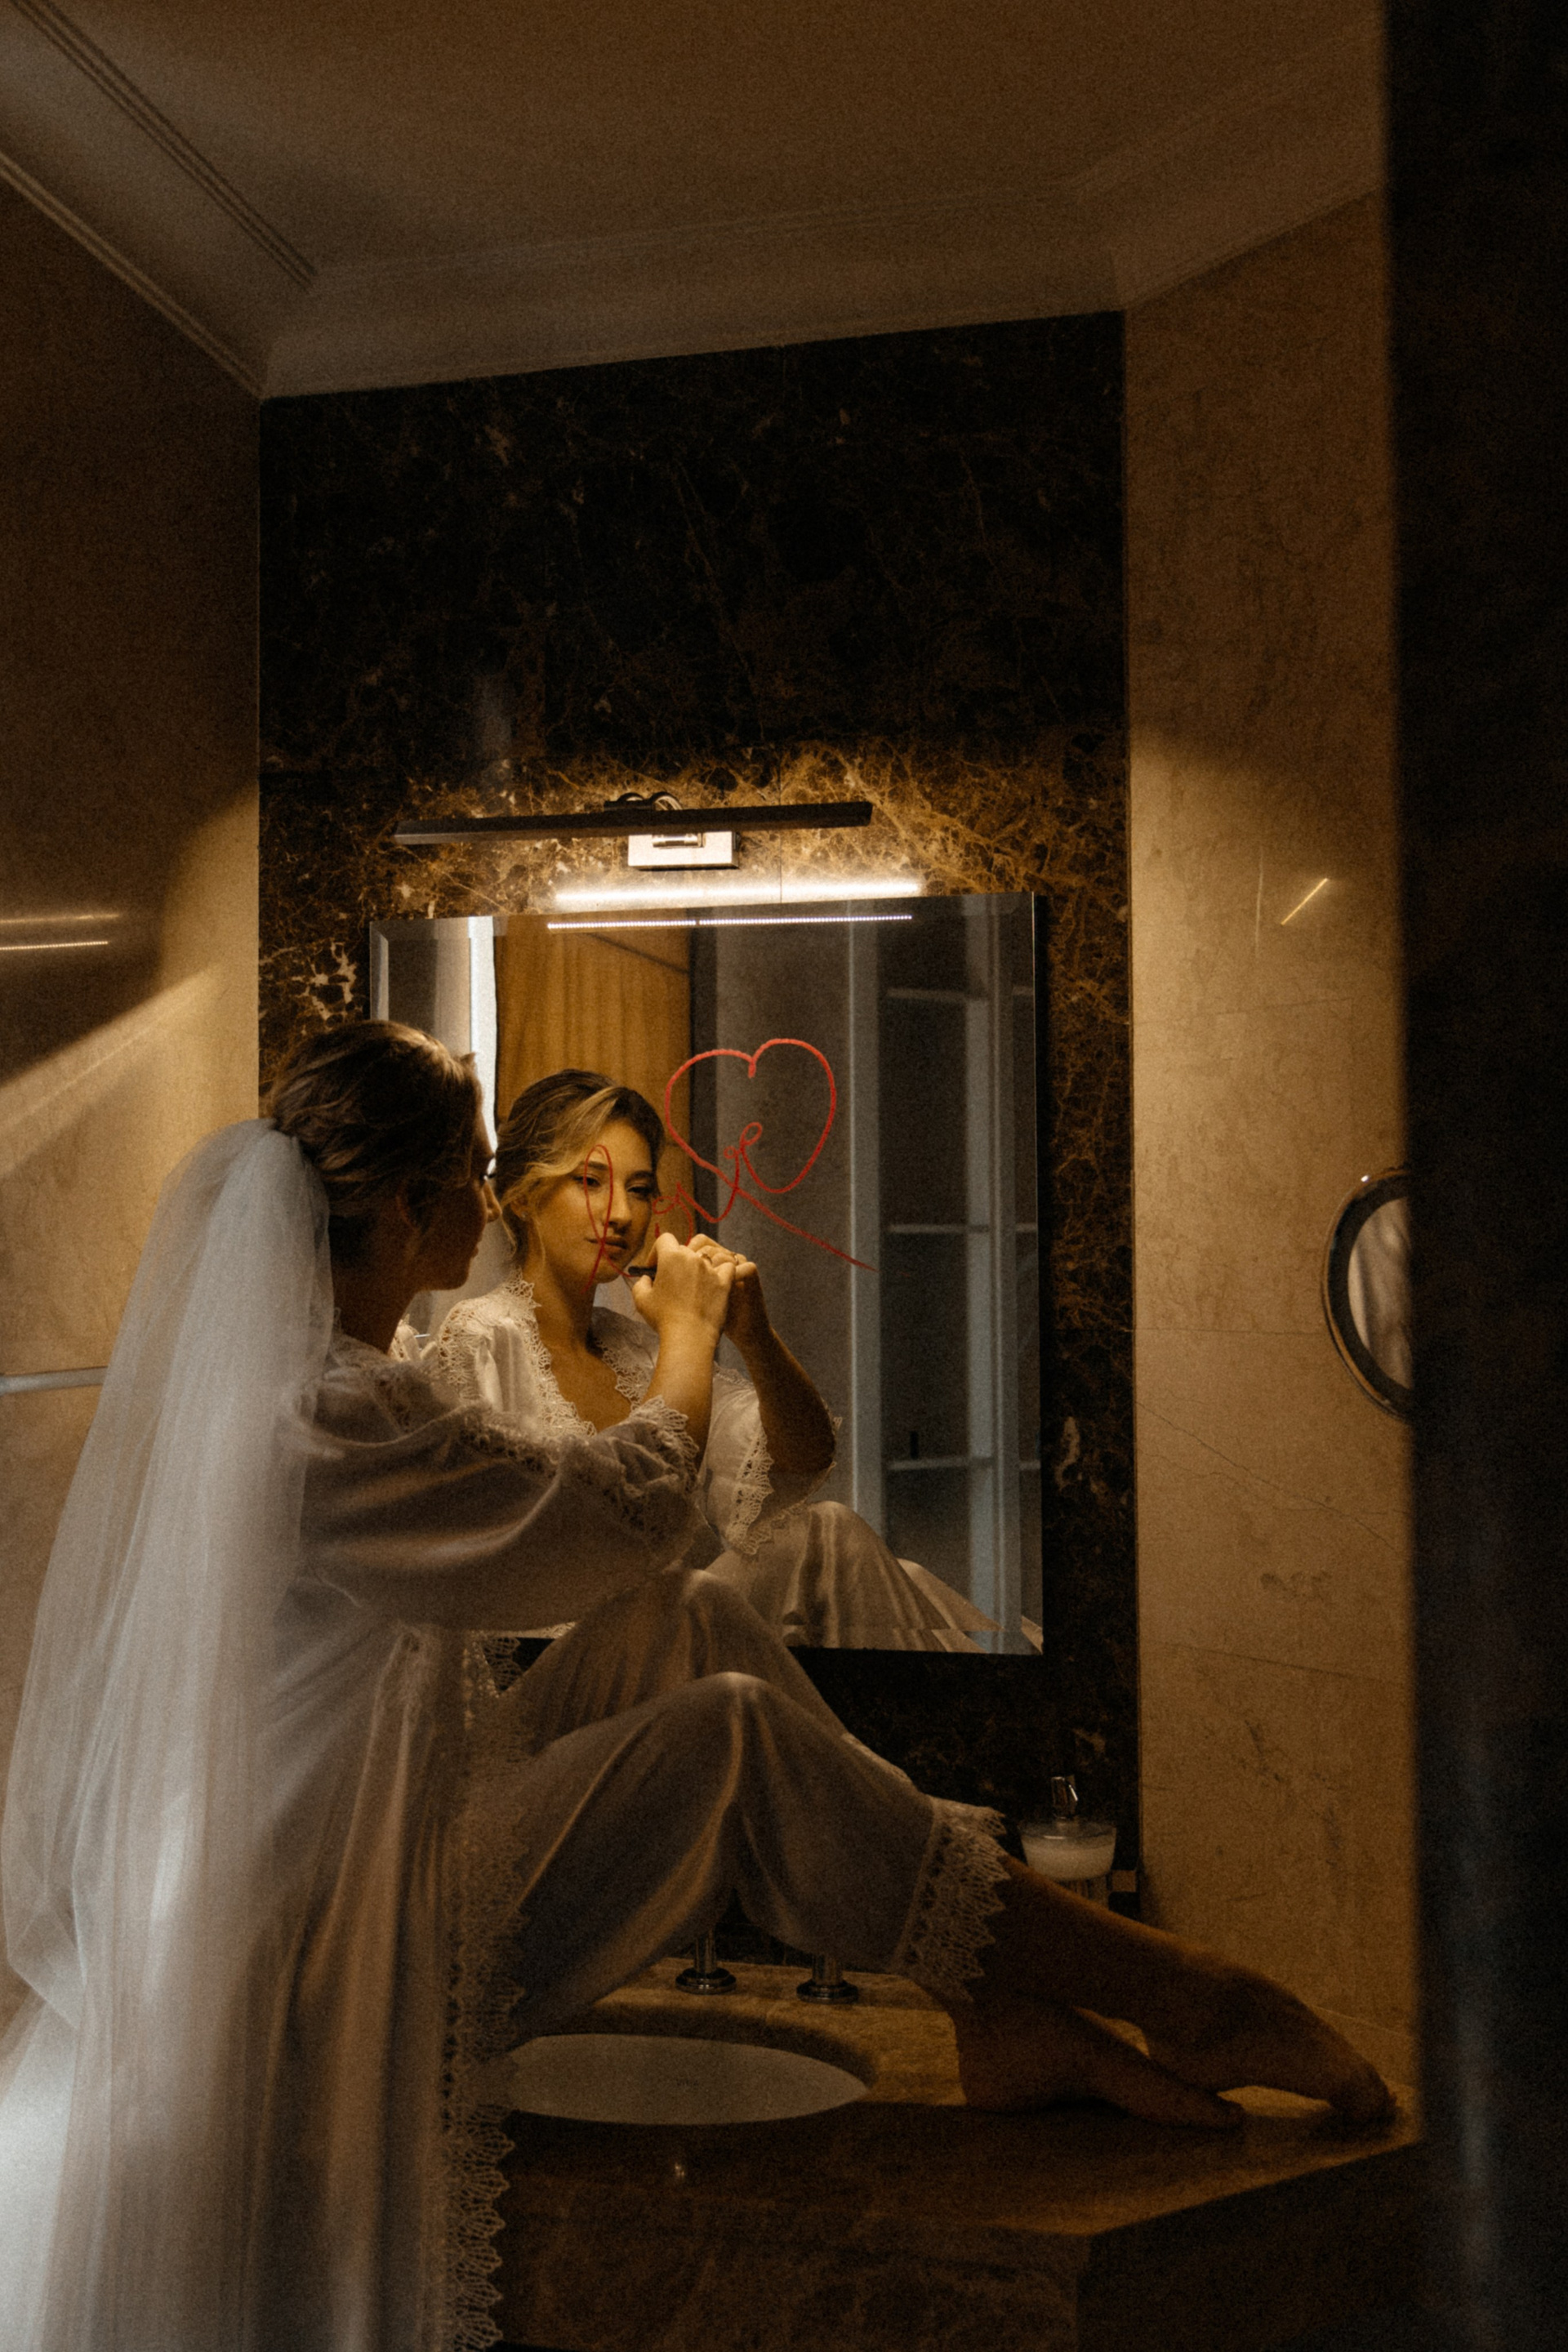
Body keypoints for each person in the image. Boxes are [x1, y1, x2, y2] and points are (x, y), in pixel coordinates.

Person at [0, 1020, 1393, 2352]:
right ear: (415, 1205)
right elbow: (606, 1518)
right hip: (328, 1956)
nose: (493, 1202)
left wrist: (715, 1347)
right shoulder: (322, 1415)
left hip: (344, 1866)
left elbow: (670, 1541)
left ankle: (994, 2002)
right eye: (477, 1174)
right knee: (728, 1739)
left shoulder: (320, 1385)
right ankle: (1179, 1989)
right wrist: (686, 1336)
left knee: (687, 1620)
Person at [434, 1067, 1002, 1650]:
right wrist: (688, 1328)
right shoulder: (483, 1339)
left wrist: (754, 1336)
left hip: (676, 1634)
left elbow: (804, 1456)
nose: (621, 1214)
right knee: (829, 1540)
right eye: (590, 1181)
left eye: (640, 1189)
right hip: (567, 1650)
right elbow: (493, 1563)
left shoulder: (636, 1347)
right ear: (525, 1195)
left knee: (867, 1561)